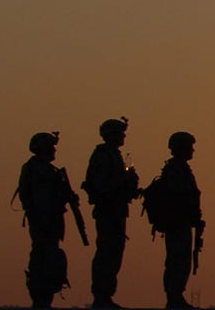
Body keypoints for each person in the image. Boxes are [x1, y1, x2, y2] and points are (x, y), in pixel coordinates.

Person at [17, 131, 82, 308]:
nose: (54, 150)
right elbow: (37, 198)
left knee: (50, 259)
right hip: (42, 221)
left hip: (51, 221)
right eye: (51, 147)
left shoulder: (48, 170)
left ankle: (44, 299)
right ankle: (40, 299)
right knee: (42, 259)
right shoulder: (36, 170)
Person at [81, 118, 138, 308]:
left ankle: (105, 296)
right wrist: (125, 181)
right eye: (120, 133)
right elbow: (102, 186)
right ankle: (101, 296)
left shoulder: (113, 155)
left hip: (117, 210)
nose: (123, 136)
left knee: (114, 253)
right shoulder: (103, 156)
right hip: (108, 210)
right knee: (107, 253)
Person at [152, 132, 205, 308]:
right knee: (177, 259)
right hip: (177, 222)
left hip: (182, 221)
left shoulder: (180, 168)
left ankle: (176, 296)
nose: (193, 150)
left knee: (181, 259)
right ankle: (174, 297)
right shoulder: (174, 169)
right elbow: (179, 195)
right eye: (190, 147)